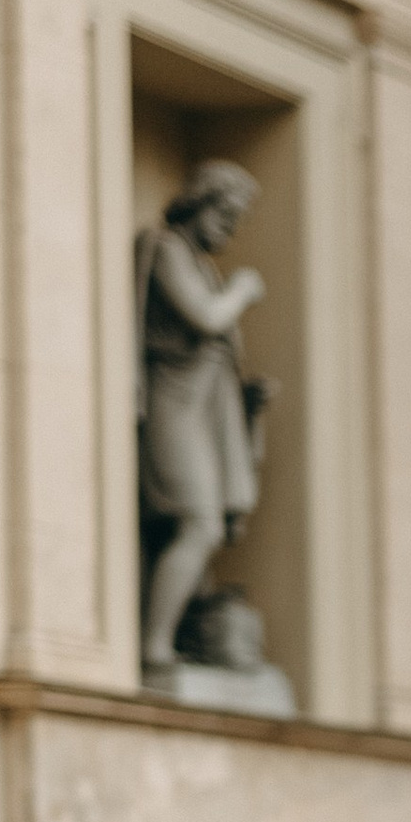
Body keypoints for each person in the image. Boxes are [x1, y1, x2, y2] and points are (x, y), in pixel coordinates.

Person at [136, 164, 267, 681]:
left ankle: (181, 638)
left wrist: (249, 401)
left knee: (206, 528)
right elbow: (207, 318)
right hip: (172, 406)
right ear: (199, 202)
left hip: (203, 412)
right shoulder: (165, 248)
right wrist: (242, 289)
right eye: (224, 215)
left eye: (236, 222)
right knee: (199, 524)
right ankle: (154, 648)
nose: (228, 231)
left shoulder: (202, 267)